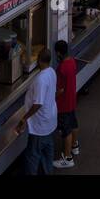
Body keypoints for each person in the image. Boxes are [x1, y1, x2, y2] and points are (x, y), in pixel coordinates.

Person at [16, 46, 57, 174]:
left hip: (40, 126)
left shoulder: (41, 80)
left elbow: (37, 104)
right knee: (47, 154)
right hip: (50, 121)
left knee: (32, 156)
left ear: (39, 61)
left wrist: (24, 118)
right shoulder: (51, 72)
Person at [52, 40, 79, 169]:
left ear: (58, 52)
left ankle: (67, 158)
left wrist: (51, 98)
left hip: (63, 104)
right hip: (72, 100)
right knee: (73, 124)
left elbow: (60, 90)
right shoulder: (72, 62)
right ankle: (75, 146)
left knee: (65, 130)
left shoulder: (61, 68)